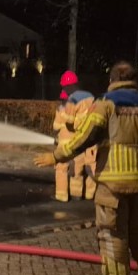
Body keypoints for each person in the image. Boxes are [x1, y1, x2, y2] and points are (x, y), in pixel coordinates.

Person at [34, 61, 138, 275]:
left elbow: (86, 137)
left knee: (112, 233)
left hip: (113, 183)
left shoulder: (107, 103)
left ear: (112, 80)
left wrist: (56, 155)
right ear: (135, 80)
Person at [59, 70, 96, 200]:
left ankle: (76, 195)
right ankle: (90, 195)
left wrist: (61, 113)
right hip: (92, 138)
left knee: (77, 168)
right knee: (92, 167)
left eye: (63, 86)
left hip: (79, 137)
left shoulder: (72, 99)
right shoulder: (91, 96)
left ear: (68, 86)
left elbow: (69, 121)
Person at [52, 89, 73, 202]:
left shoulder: (60, 110)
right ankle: (77, 194)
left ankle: (62, 195)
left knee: (61, 169)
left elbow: (56, 126)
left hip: (63, 145)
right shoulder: (76, 109)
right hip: (76, 144)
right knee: (77, 170)